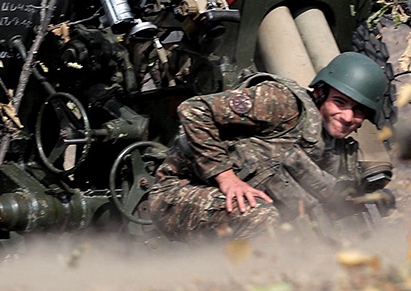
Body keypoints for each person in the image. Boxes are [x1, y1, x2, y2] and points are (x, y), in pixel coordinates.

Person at [146, 52, 390, 240]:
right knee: (261, 218)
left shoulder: (336, 151)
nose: (348, 117)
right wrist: (227, 178)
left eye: (359, 110)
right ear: (321, 93)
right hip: (177, 194)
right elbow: (194, 109)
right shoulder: (282, 102)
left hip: (233, 210)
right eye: (340, 102)